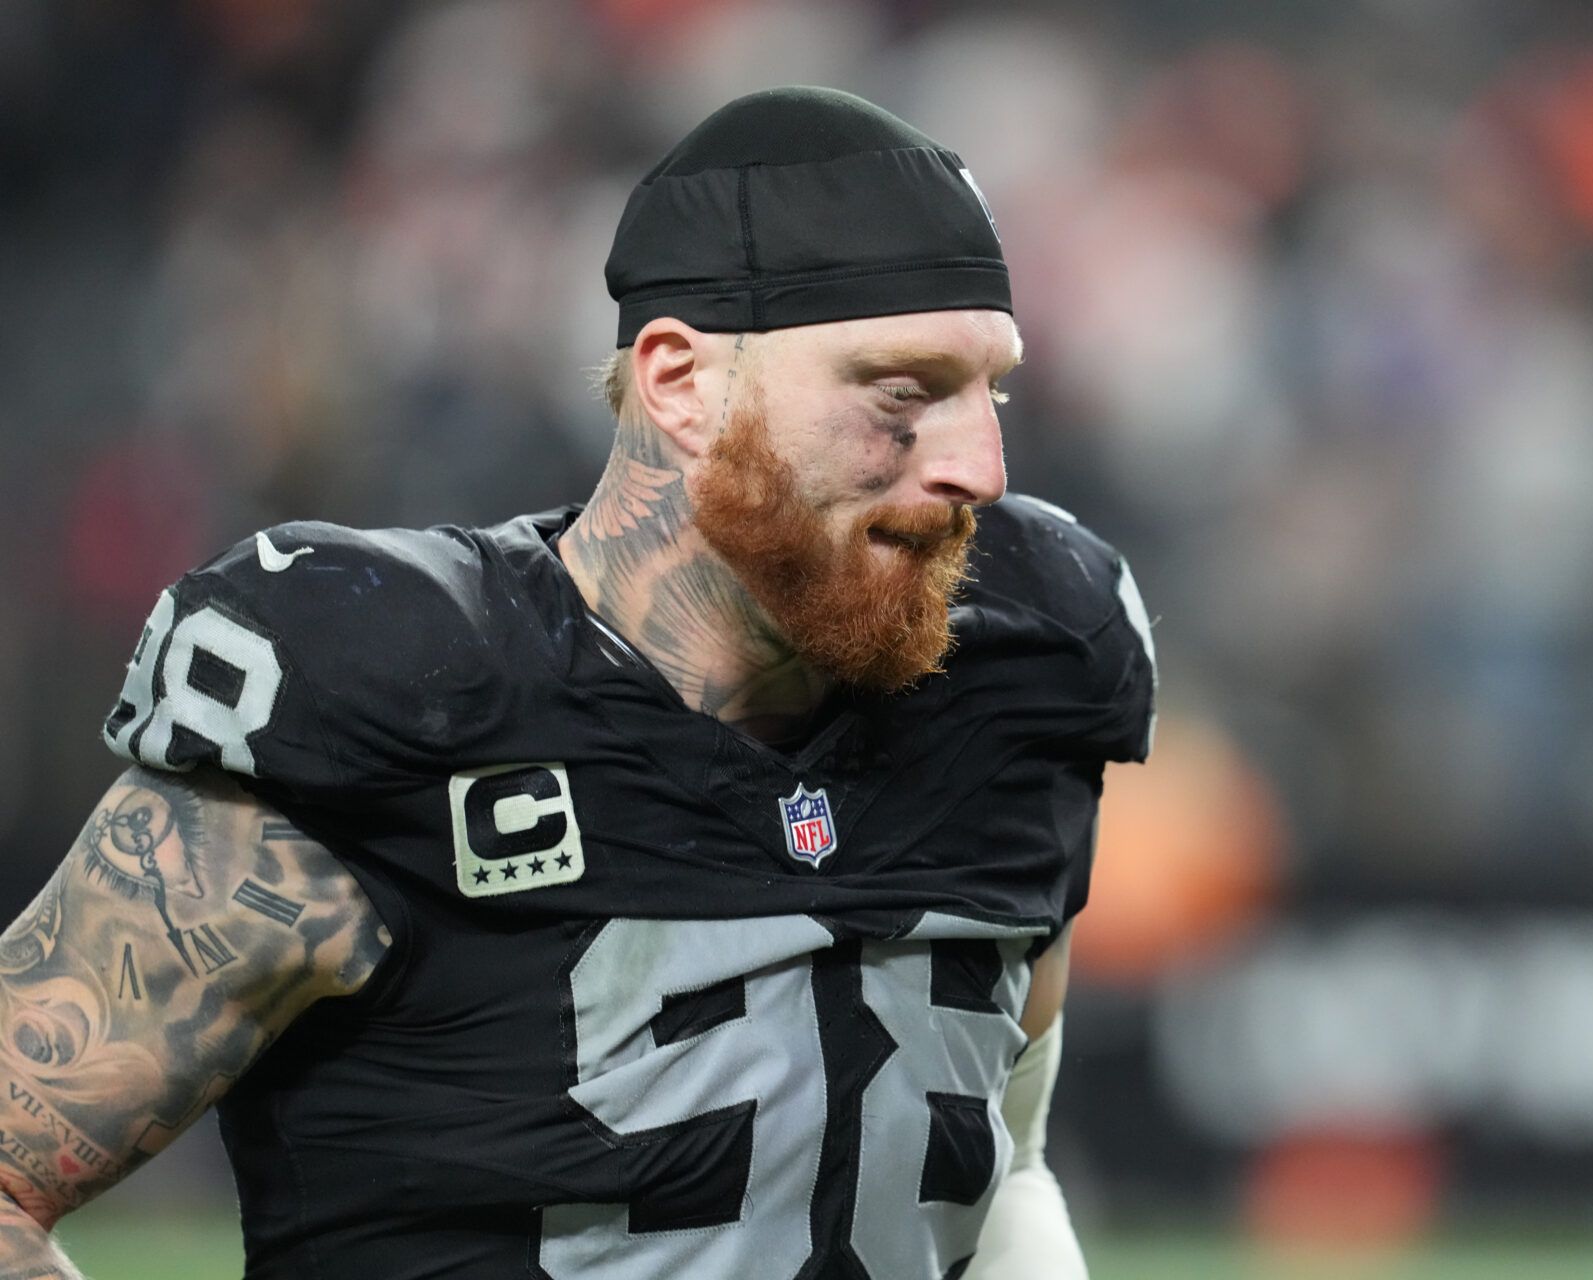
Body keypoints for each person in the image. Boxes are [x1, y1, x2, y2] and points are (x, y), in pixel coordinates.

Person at [0, 86, 1155, 1279]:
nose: (980, 464)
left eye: (990, 389)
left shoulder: (1029, 662)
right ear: (681, 383)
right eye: (900, 395)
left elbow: (998, 1170)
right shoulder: (399, 692)